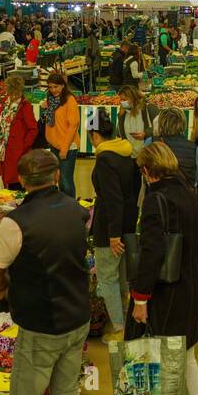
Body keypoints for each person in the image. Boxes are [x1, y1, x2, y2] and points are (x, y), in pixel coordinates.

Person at [0, 149, 90, 395]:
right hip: (77, 318)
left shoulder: (16, 222)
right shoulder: (77, 210)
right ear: (56, 175)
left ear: (21, 179)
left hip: (43, 325)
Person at [128, 141, 198, 395]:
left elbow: (151, 253)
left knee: (166, 366)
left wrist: (140, 298)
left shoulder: (155, 200)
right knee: (187, 359)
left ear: (149, 171)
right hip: (188, 290)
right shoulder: (190, 194)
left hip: (164, 295)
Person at [88, 109, 139, 343]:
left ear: (95, 135)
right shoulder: (127, 154)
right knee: (121, 278)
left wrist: (113, 234)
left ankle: (119, 328)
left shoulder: (105, 160)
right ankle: (125, 321)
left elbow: (112, 199)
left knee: (107, 278)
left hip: (111, 228)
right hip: (128, 223)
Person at [0, 75, 39, 190]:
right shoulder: (6, 104)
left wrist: (24, 145)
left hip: (17, 151)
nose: (13, 95)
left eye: (15, 91)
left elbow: (33, 129)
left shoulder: (24, 106)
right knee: (6, 179)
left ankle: (17, 205)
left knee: (16, 180)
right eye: (10, 91)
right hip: (4, 150)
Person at [42, 71, 81, 197]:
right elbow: (50, 121)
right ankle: (63, 206)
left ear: (63, 85)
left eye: (56, 87)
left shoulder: (70, 100)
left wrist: (64, 149)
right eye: (50, 87)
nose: (53, 90)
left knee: (66, 181)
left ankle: (71, 208)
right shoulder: (51, 100)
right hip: (54, 145)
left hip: (68, 147)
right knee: (59, 180)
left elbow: (73, 125)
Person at [152, 106, 198, 185]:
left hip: (159, 194)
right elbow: (196, 177)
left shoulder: (151, 143)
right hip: (185, 193)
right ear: (183, 124)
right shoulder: (193, 148)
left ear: (161, 124)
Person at [116, 84, 159, 155]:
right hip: (129, 154)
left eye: (125, 100)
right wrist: (120, 116)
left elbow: (160, 127)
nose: (122, 102)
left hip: (147, 154)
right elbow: (119, 133)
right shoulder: (124, 112)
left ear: (133, 98)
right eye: (121, 100)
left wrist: (145, 133)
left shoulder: (149, 109)